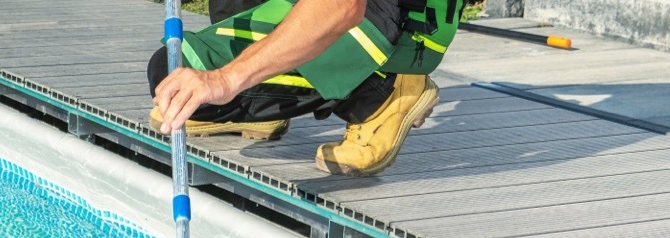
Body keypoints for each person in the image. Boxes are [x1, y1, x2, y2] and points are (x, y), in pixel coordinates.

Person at [148, 0, 464, 176]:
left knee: (180, 72)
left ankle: (383, 91)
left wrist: (225, 80)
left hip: (394, 26)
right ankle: (258, 108)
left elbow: (342, 6)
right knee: (176, 72)